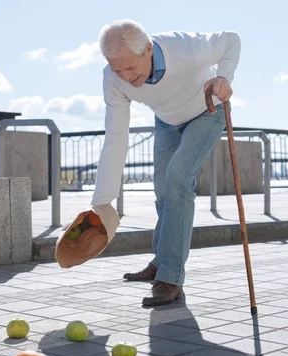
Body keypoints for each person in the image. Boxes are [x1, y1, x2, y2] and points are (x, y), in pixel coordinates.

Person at [91, 20, 241, 306]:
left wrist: (224, 77)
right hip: (166, 120)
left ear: (148, 49)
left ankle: (171, 277)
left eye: (130, 67)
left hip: (207, 111)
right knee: (162, 189)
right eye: (116, 68)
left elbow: (231, 39)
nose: (123, 75)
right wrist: (103, 201)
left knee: (178, 181)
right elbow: (116, 137)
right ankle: (161, 263)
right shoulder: (113, 80)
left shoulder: (186, 48)